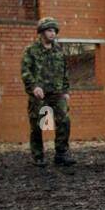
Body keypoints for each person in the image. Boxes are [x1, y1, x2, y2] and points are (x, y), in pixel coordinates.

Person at [20, 17, 74, 167]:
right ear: (42, 32)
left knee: (64, 121)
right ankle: (38, 156)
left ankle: (61, 154)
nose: (52, 34)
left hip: (57, 93)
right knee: (38, 125)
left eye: (54, 31)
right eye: (49, 30)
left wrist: (65, 90)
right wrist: (34, 87)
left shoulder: (59, 50)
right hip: (39, 94)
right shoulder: (31, 50)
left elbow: (65, 71)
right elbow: (25, 72)